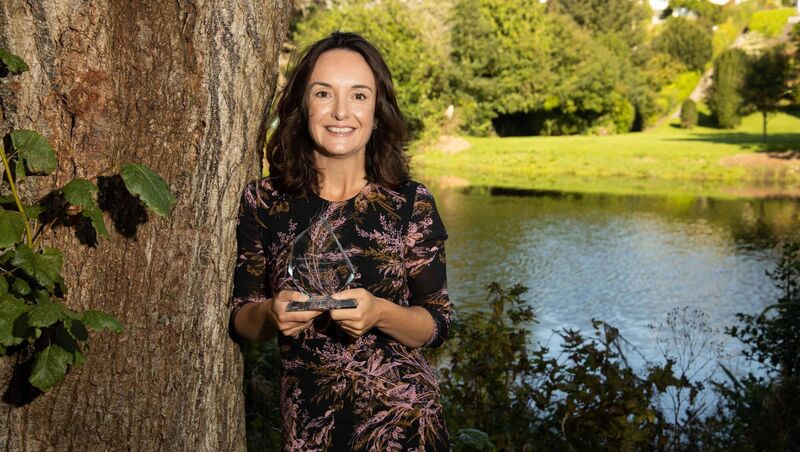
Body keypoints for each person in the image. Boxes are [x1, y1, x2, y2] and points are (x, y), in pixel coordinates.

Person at [230, 31, 452, 451]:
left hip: (406, 428)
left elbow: (436, 324)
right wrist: (271, 313)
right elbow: (242, 318)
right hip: (313, 429)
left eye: (358, 96)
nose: (340, 112)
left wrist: (381, 313)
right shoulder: (264, 202)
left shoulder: (409, 202)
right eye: (323, 93)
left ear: (377, 110)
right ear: (303, 103)